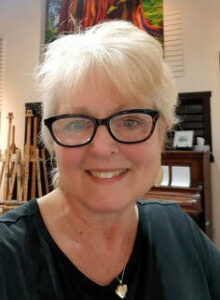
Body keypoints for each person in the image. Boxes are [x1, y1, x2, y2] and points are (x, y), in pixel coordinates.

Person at [0, 20, 220, 300]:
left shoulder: (179, 231)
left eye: (130, 121)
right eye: (77, 123)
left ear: (162, 130)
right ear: (52, 139)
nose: (102, 149)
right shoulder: (7, 256)